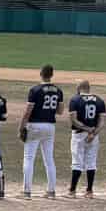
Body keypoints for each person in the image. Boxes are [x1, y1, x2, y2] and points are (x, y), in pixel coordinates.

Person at [20, 63, 63, 197]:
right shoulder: (58, 91)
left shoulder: (35, 90)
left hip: (35, 125)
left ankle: (26, 191)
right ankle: (51, 190)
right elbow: (60, 111)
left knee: (28, 158)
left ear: (41, 74)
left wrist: (21, 127)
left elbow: (28, 112)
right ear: (52, 75)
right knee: (49, 159)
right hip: (50, 126)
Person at [67, 79, 104, 197]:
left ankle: (72, 191)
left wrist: (87, 130)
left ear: (79, 88)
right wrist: (93, 133)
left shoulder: (75, 100)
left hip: (79, 134)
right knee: (91, 162)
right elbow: (102, 121)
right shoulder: (99, 100)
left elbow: (74, 119)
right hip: (93, 135)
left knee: (77, 162)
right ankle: (89, 191)